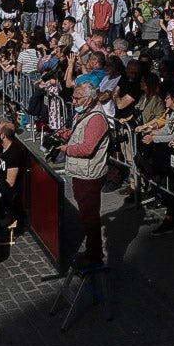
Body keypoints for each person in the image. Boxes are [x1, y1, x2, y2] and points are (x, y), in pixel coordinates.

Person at [61, 81, 112, 269]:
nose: (73, 101)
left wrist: (67, 149)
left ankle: (95, 255)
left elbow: (88, 148)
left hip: (89, 173)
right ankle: (92, 251)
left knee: (90, 216)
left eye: (77, 98)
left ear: (89, 99)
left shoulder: (97, 118)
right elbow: (79, 135)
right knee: (86, 213)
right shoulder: (85, 113)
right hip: (81, 171)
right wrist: (66, 134)